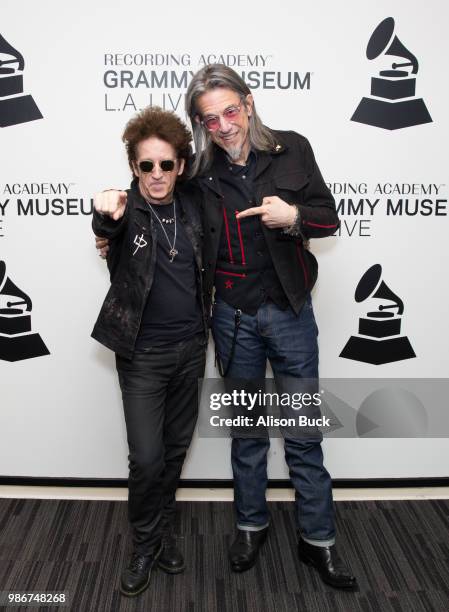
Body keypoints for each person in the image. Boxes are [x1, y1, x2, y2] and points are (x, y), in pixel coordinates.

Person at [95, 64, 357, 590]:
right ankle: (250, 526)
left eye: (230, 111)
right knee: (248, 432)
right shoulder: (198, 172)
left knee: (304, 433)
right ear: (200, 125)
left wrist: (296, 218)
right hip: (231, 317)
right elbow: (146, 186)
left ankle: (318, 541)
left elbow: (329, 217)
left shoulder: (293, 148)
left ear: (249, 102)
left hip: (290, 313)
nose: (224, 125)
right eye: (209, 119)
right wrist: (107, 225)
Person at [91, 106, 207, 597]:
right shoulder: (125, 208)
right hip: (141, 356)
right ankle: (144, 543)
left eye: (165, 165)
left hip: (192, 350)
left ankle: (162, 532)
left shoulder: (195, 206)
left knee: (176, 451)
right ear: (133, 167)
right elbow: (105, 223)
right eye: (146, 166)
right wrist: (102, 214)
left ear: (180, 165)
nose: (156, 175)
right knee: (147, 457)